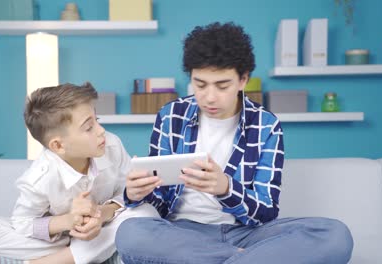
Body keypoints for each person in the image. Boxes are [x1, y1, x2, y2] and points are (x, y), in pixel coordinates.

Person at [115, 22, 354, 264]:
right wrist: (136, 194)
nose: (209, 97)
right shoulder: (170, 116)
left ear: (243, 80)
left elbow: (266, 212)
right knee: (130, 233)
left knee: (335, 235)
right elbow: (161, 203)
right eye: (200, 84)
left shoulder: (266, 125)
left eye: (222, 85)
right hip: (183, 235)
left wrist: (226, 188)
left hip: (248, 234)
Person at [0, 83, 158, 264]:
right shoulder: (39, 178)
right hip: (61, 238)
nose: (101, 131)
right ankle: (97, 256)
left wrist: (101, 214)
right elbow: (23, 223)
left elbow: (126, 194)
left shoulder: (111, 145)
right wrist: (69, 221)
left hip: (104, 228)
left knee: (147, 212)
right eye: (89, 127)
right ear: (58, 145)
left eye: (96, 120)